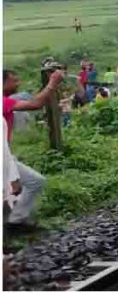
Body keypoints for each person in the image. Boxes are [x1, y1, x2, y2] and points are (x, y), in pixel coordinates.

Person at [3, 68, 64, 229]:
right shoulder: (3, 102)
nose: (18, 83)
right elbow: (35, 104)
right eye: (14, 80)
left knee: (29, 183)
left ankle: (15, 221)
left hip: (6, 155)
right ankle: (14, 223)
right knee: (33, 181)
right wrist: (52, 84)